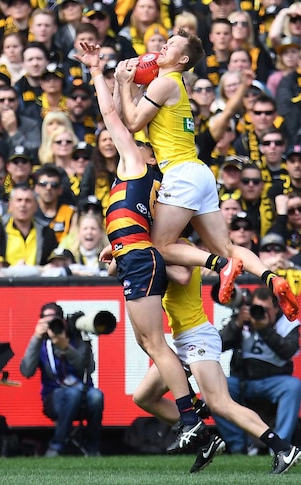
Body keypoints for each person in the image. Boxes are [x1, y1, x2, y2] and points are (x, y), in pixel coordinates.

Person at [77, 42, 208, 453]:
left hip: (138, 260)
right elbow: (134, 223)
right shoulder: (146, 173)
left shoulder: (137, 162)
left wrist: (103, 74)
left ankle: (192, 417)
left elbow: (113, 116)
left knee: (153, 343)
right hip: (134, 255)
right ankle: (195, 419)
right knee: (148, 342)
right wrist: (114, 247)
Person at [115, 32, 299, 321]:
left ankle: (220, 265)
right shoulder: (170, 84)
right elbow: (130, 117)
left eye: (172, 44)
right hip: (199, 172)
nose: (164, 45)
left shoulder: (165, 82)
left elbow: (134, 122)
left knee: (159, 245)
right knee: (226, 244)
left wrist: (125, 84)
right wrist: (129, 86)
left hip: (180, 172)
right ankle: (272, 278)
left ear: (184, 59)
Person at [130, 240, 301, 474]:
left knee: (220, 403)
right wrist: (123, 248)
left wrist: (145, 260)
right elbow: (115, 267)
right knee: (144, 397)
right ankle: (203, 438)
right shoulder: (157, 249)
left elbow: (181, 276)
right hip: (182, 340)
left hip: (197, 336)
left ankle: (283, 448)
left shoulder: (179, 245)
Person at [213, 284, 301, 466]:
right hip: (243, 381)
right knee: (214, 388)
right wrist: (236, 324)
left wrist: (265, 329)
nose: (260, 313)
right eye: (257, 309)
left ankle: (279, 446)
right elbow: (218, 345)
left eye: (265, 310)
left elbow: (288, 350)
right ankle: (239, 446)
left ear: (275, 307)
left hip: (274, 382)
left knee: (294, 387)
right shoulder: (243, 319)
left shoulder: (287, 323)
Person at [19, 302, 103, 458]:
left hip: (84, 393)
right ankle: (56, 446)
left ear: (63, 321)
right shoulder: (42, 343)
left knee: (97, 396)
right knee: (72, 394)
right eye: (47, 321)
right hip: (54, 398)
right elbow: (26, 371)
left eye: (55, 320)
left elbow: (88, 369)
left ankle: (93, 448)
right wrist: (37, 336)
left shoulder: (77, 338)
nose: (52, 325)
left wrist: (66, 347)